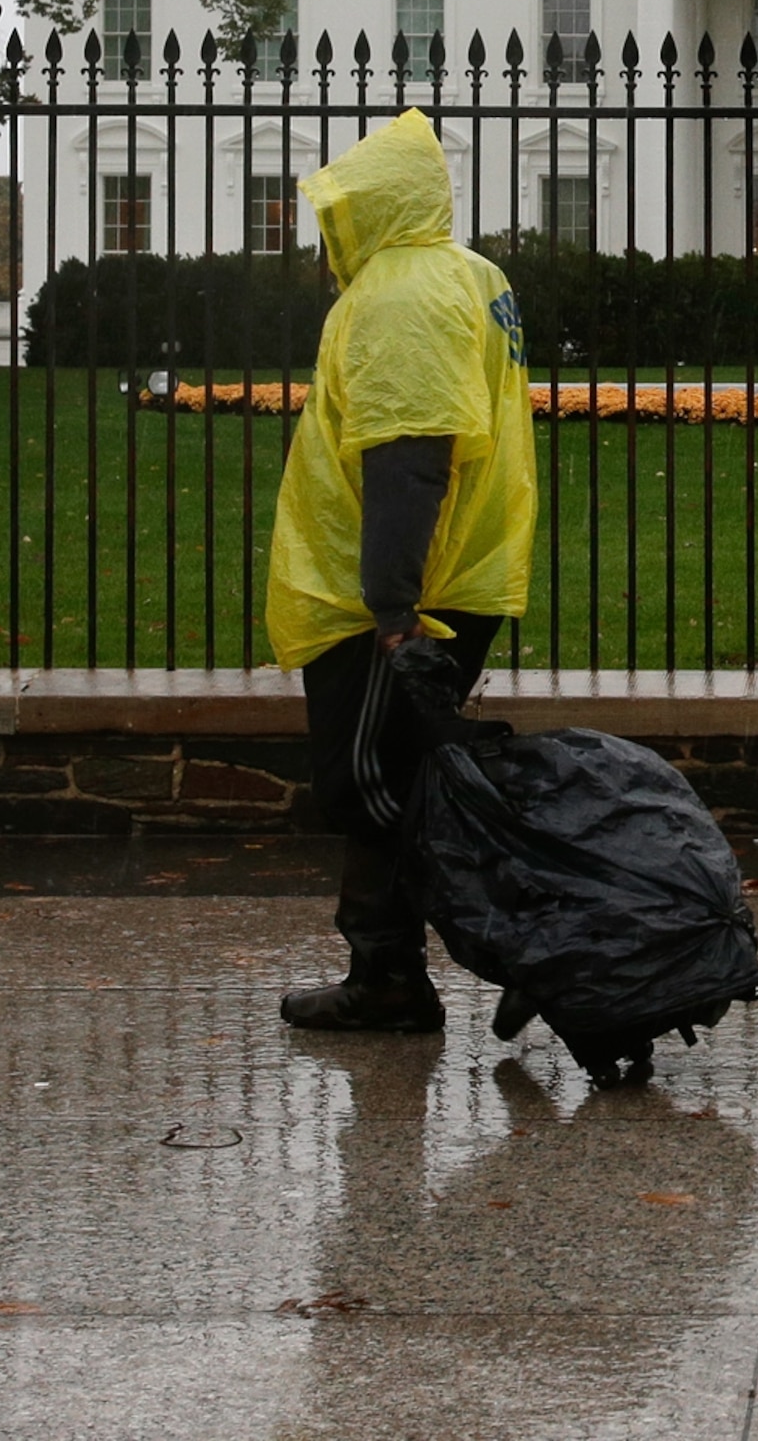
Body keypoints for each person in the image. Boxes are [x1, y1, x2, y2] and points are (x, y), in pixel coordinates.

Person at [266, 109, 535, 1031]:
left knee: (371, 784)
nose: (329, 232)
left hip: (398, 592)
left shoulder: (400, 297)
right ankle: (397, 968)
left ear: (379, 205)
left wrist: (392, 610)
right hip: (452, 575)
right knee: (401, 774)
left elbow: (410, 453)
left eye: (342, 211)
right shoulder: (471, 276)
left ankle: (416, 968)